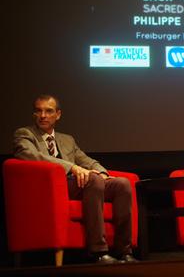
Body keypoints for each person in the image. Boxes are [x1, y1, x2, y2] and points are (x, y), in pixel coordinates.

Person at [13, 94, 138, 264]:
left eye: (48, 111)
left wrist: (102, 173)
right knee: (92, 180)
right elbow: (31, 155)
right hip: (47, 189)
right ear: (34, 114)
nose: (43, 116)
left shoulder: (67, 139)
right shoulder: (24, 134)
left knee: (121, 184)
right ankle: (98, 252)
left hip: (75, 185)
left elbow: (87, 161)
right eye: (39, 111)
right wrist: (71, 167)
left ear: (58, 114)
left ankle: (124, 251)